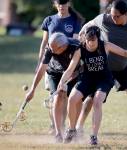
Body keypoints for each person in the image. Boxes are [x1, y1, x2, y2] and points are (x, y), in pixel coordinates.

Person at [57, 26, 127, 145]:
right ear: (85, 39)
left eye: (94, 41)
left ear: (98, 38)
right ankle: (72, 130)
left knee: (97, 102)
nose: (91, 44)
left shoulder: (105, 45)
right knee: (72, 99)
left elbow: (123, 52)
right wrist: (61, 82)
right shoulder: (80, 49)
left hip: (104, 80)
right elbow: (70, 69)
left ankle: (93, 136)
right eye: (88, 41)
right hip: (87, 78)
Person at [77, 0, 127, 139]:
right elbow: (90, 24)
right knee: (92, 98)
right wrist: (81, 35)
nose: (113, 18)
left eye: (117, 16)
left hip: (123, 64)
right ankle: (78, 128)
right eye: (112, 15)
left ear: (126, 14)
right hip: (104, 68)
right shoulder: (105, 19)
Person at [37, 0, 84, 135]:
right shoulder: (49, 20)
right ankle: (56, 126)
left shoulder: (75, 20)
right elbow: (44, 42)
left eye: (64, 3)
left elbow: (74, 42)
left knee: (68, 97)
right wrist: (39, 62)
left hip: (70, 65)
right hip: (51, 65)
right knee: (56, 96)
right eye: (59, 3)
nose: (61, 6)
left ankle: (68, 127)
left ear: (69, 3)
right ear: (55, 4)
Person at [25, 32, 82, 142]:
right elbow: (42, 69)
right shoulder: (50, 48)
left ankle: (72, 129)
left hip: (73, 73)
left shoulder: (76, 46)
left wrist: (70, 77)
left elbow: (79, 65)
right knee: (57, 98)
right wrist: (32, 90)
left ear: (63, 47)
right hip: (54, 73)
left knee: (76, 99)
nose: (51, 50)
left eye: (54, 49)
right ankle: (58, 133)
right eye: (50, 48)